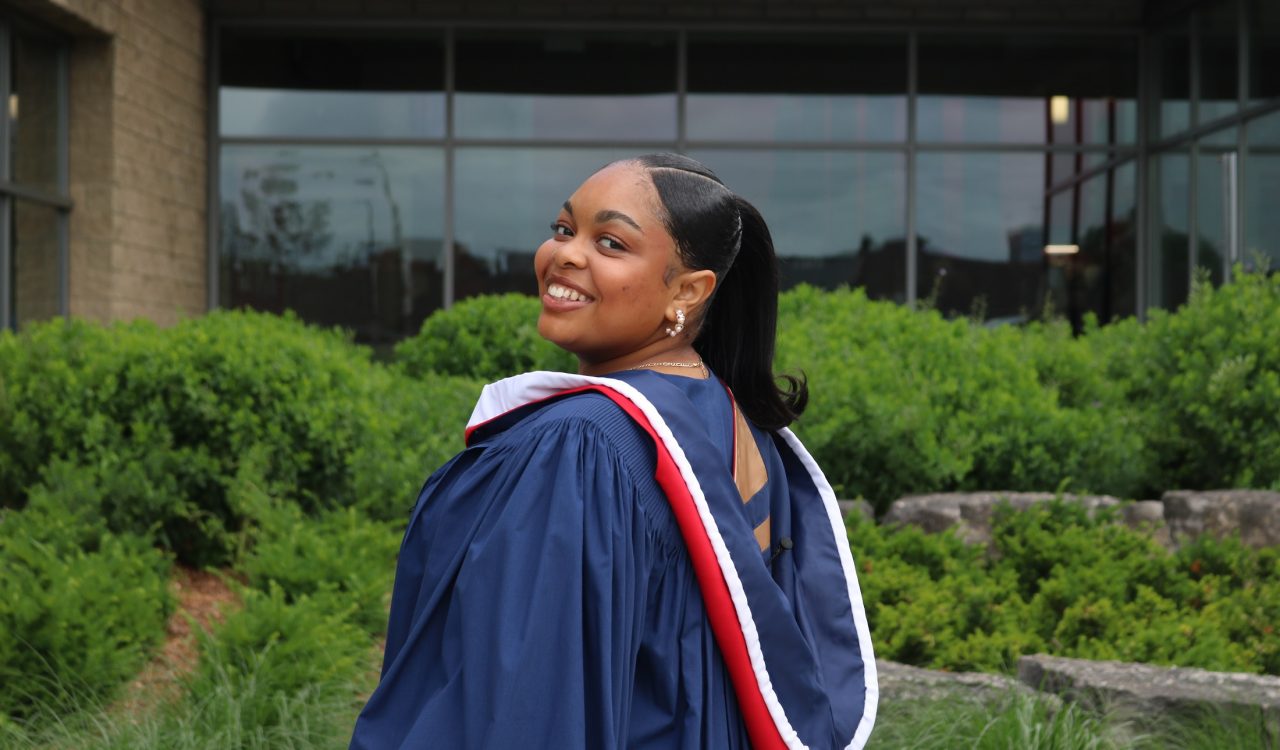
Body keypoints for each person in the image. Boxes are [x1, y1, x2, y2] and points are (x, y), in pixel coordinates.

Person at [349, 154, 877, 750]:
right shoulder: (731, 419)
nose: (566, 254)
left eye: (610, 242)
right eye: (563, 229)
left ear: (687, 289)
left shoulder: (580, 447)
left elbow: (526, 705)